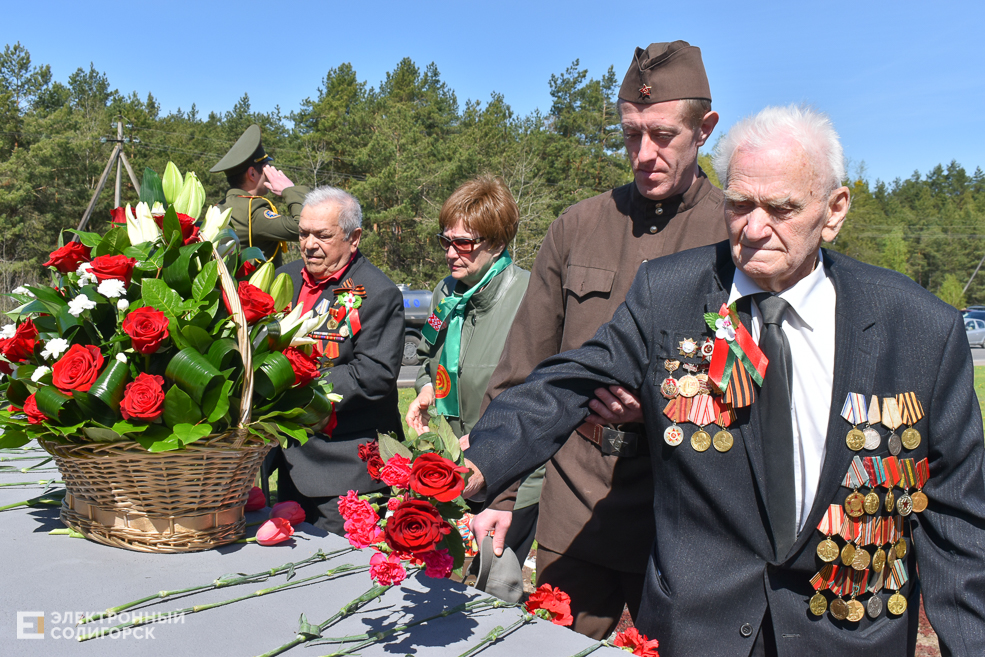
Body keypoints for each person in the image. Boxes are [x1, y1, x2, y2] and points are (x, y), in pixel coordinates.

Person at [463, 105, 985, 655]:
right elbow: (566, 381)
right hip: (699, 631)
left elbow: (960, 526)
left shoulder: (921, 331)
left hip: (846, 634)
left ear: (834, 211)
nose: (755, 229)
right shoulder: (668, 294)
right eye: (739, 205)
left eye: (781, 208)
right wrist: (480, 464)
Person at [472, 40, 727, 639]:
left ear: (704, 129)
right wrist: (496, 493)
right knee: (554, 644)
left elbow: (763, 380)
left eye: (663, 135)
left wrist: (661, 404)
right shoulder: (578, 227)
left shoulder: (733, 233)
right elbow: (523, 368)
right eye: (631, 134)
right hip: (576, 495)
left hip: (683, 503)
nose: (643, 153)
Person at [404, 175, 532, 568]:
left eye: (463, 243)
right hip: (447, 468)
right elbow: (428, 356)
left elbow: (543, 398)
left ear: (495, 244)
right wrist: (427, 389)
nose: (450, 253)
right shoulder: (447, 293)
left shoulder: (531, 297)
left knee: (493, 589)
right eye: (446, 241)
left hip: (507, 476)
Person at [273, 186, 404, 535]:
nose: (309, 244)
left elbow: (372, 375)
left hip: (345, 475)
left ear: (354, 237)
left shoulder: (378, 293)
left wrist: (295, 386)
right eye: (303, 234)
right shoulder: (282, 279)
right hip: (289, 464)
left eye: (323, 235)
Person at [211, 124, 308, 267]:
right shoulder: (252, 211)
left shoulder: (221, 206)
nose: (270, 173)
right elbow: (303, 228)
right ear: (252, 173)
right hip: (255, 288)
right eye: (266, 167)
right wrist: (290, 190)